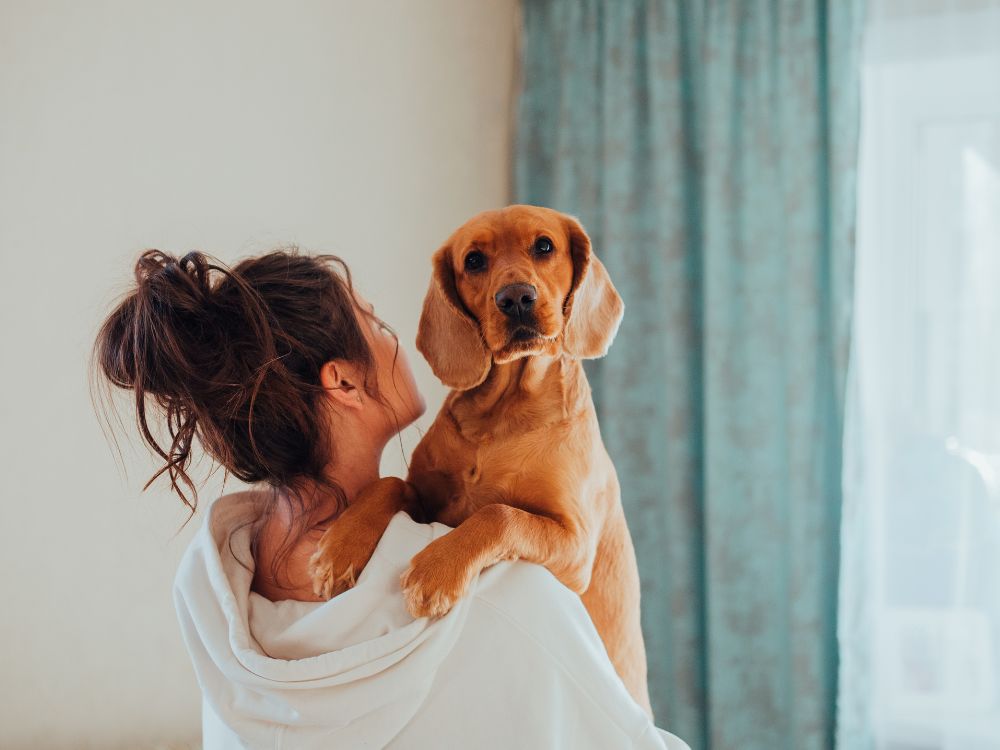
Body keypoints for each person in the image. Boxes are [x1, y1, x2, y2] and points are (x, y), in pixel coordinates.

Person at [92, 247, 689, 749]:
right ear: (344, 381)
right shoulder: (501, 596)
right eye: (376, 323)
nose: (398, 338)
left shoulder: (212, 601)